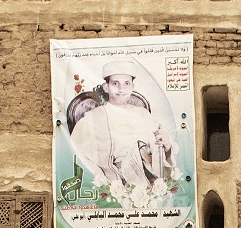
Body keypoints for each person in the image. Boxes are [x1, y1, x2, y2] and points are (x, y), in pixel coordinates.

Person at [65, 62, 178, 197]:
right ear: (106, 87)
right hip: (112, 182)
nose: (121, 89)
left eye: (126, 84)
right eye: (115, 83)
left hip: (146, 178)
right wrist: (101, 177)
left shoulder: (143, 114)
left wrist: (167, 145)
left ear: (132, 87)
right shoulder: (92, 119)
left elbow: (159, 147)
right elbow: (76, 150)